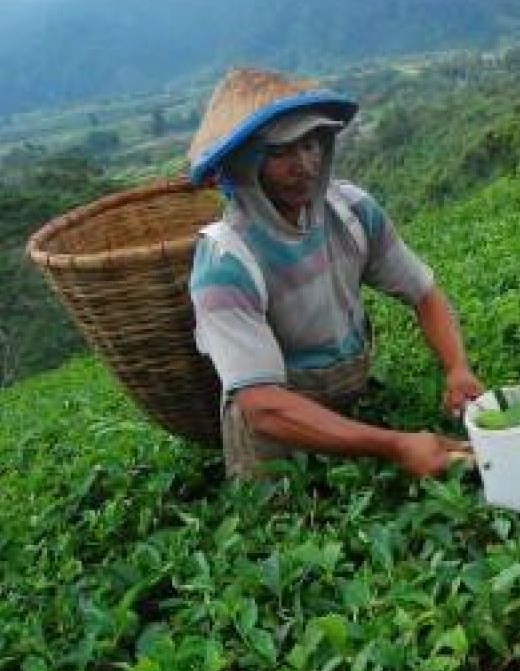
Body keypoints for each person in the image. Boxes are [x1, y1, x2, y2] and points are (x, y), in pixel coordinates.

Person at [186, 68, 483, 479]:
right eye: (279, 152)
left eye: (310, 144)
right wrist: (396, 445)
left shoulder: (352, 213)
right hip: (280, 436)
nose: (304, 165)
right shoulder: (225, 262)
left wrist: (457, 368)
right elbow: (263, 406)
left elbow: (423, 292)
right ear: (240, 165)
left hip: (350, 403)